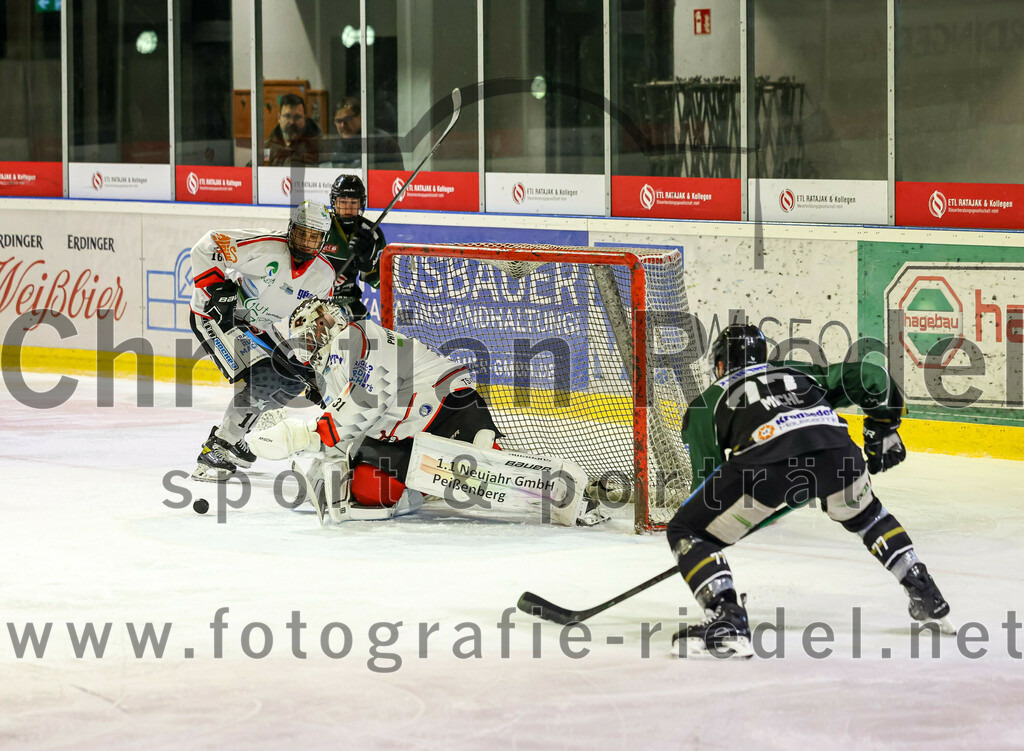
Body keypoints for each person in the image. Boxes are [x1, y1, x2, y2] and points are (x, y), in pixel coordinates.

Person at [668, 324, 952, 657]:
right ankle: (923, 588)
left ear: (719, 365)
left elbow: (709, 488)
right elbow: (871, 374)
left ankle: (727, 619)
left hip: (767, 467)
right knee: (868, 516)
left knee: (688, 529)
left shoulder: (707, 403)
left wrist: (716, 533)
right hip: (840, 454)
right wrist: (883, 426)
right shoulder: (797, 373)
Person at [246, 298, 610, 527]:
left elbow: (363, 404)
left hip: (449, 411)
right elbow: (349, 430)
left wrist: (300, 435)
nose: (315, 340)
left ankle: (570, 493)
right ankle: (429, 485)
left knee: (487, 473)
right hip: (411, 438)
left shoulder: (358, 336)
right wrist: (318, 454)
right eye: (310, 336)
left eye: (316, 329)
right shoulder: (332, 366)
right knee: (369, 489)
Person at [188, 200, 336, 482]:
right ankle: (216, 447)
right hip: (217, 316)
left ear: (323, 240)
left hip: (257, 325)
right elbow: (209, 245)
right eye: (301, 233)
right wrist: (217, 287)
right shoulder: (265, 246)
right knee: (265, 377)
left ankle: (237, 434)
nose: (306, 242)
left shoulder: (323, 276)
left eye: (314, 236)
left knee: (294, 379)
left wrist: (316, 370)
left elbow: (316, 324)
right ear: (290, 229)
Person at [322, 174, 384, 320]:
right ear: (334, 202)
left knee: (370, 339)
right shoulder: (320, 227)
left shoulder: (371, 234)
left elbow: (378, 284)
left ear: (361, 203)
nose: (348, 207)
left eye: (354, 202)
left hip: (349, 301)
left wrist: (368, 263)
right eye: (342, 202)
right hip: (315, 299)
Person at [326, 97, 404, 170]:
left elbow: (395, 179)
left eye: (348, 119)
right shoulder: (339, 147)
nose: (343, 125)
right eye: (338, 121)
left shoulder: (383, 143)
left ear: (361, 117)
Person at [265, 93, 322, 166]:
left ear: (305, 118)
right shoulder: (268, 147)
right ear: (279, 118)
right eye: (287, 116)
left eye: (297, 117)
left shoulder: (318, 147)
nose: (292, 122)